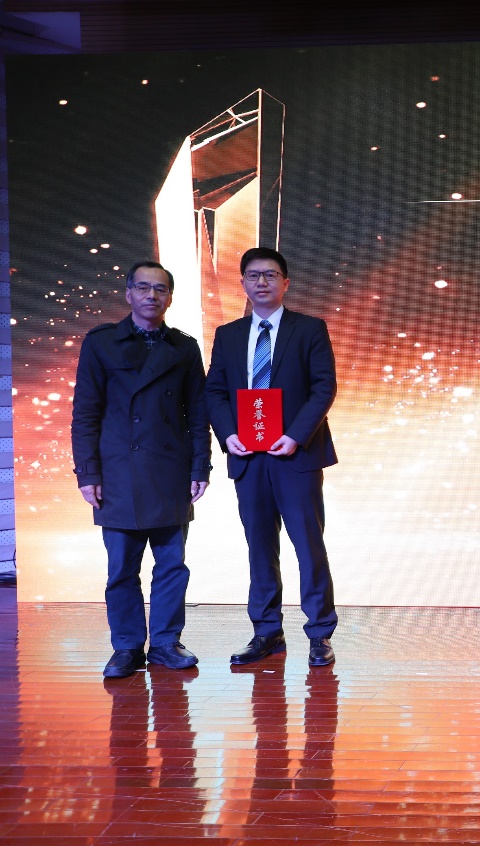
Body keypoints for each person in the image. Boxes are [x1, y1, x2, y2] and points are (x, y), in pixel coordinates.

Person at [71, 261, 212, 678]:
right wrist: (88, 473)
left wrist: (200, 466)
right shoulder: (101, 343)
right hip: (118, 470)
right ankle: (127, 647)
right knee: (121, 568)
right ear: (128, 292)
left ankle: (166, 643)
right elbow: (85, 414)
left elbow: (198, 413)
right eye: (143, 287)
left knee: (172, 565)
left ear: (170, 297)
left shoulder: (184, 347)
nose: (152, 295)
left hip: (170, 469)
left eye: (160, 289)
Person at [206, 247, 339, 667]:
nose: (261, 282)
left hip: (295, 456)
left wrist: (295, 436)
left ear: (286, 282)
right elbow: (215, 391)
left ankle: (320, 633)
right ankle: (266, 632)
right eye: (253, 275)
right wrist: (228, 435)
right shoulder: (228, 334)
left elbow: (323, 387)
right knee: (259, 547)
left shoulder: (310, 328)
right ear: (243, 283)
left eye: (270, 274)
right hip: (248, 456)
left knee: (308, 546)